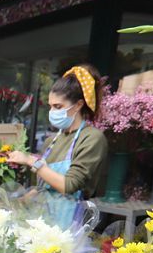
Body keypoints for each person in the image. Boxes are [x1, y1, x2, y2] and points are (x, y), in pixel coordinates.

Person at [7, 64, 108, 204]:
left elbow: (69, 186)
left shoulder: (92, 138)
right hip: (41, 219)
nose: (52, 112)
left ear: (78, 105)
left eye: (58, 107)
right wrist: (17, 203)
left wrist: (30, 160)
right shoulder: (51, 142)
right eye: (50, 106)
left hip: (70, 220)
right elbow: (43, 188)